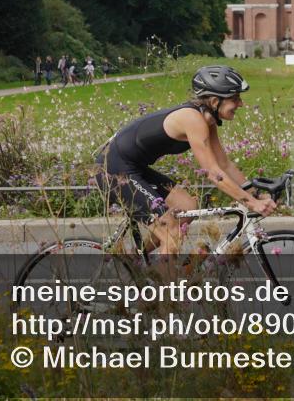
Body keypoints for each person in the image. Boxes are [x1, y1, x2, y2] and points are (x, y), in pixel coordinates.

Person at [94, 65, 277, 258]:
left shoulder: (208, 120)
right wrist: (251, 203)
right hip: (113, 170)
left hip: (133, 167)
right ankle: (166, 286)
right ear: (215, 101)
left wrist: (255, 195)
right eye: (235, 98)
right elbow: (215, 174)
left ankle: (138, 259)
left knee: (188, 206)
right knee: (171, 232)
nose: (241, 104)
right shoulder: (193, 120)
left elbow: (224, 165)